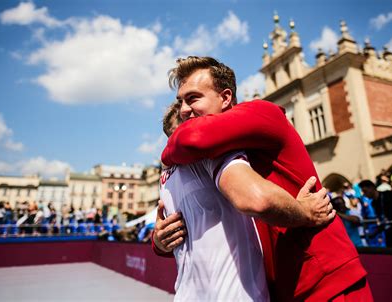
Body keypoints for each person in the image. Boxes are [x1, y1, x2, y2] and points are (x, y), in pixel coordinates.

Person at [154, 56, 372, 301]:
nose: (183, 110)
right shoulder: (211, 153)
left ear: (226, 97)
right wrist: (159, 241)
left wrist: (304, 211)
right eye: (180, 101)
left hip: (325, 281)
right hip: (281, 286)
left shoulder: (263, 112)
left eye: (193, 98)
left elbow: (189, 138)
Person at [159, 102, 334, 300]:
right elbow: (258, 200)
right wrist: (304, 211)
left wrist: (158, 242)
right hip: (234, 294)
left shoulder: (166, 177)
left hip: (192, 294)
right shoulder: (207, 156)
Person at [359, 179, 392, 247]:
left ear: (371, 188)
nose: (365, 194)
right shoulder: (374, 203)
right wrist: (375, 233)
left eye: (365, 191)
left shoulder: (388, 194)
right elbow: (382, 220)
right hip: (389, 232)